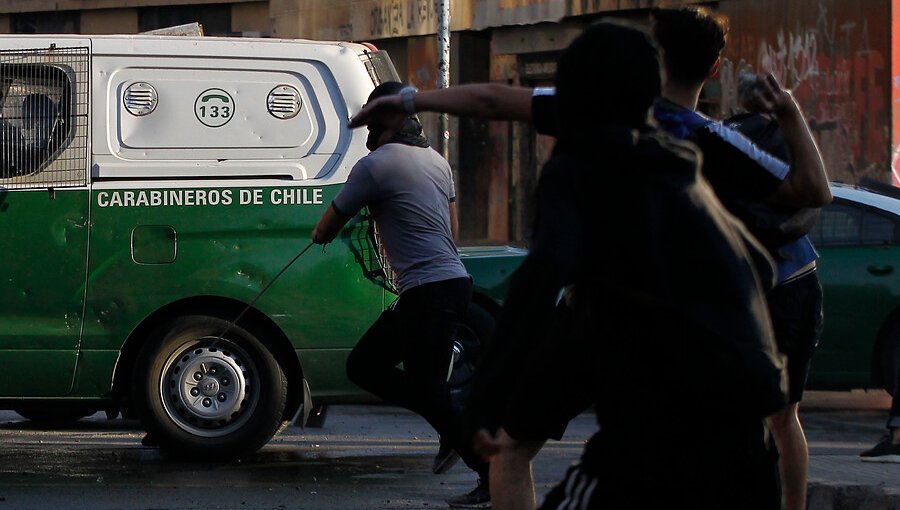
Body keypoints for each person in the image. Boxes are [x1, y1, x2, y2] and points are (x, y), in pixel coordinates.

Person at [352, 20, 787, 510]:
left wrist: (484, 401)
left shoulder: (583, 163)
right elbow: (763, 258)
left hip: (669, 426)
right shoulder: (679, 159)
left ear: (574, 97)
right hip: (751, 424)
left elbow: (540, 281)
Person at [649, 7, 831, 510]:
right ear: (715, 69)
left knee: (770, 413)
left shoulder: (705, 137)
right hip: (774, 285)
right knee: (761, 414)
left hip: (781, 286)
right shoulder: (710, 134)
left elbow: (812, 191)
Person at [311, 81, 490, 506]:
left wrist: (320, 235)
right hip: (451, 284)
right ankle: (449, 420)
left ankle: (486, 466)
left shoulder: (375, 166)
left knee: (423, 388)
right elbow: (452, 231)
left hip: (429, 292)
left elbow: (328, 225)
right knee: (367, 365)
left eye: (370, 120)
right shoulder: (437, 161)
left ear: (382, 120)